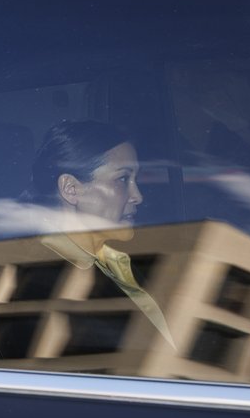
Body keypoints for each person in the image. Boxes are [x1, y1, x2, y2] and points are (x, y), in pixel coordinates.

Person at [25, 120, 175, 349]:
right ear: (71, 189)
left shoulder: (116, 262)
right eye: (123, 179)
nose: (138, 196)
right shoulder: (45, 285)